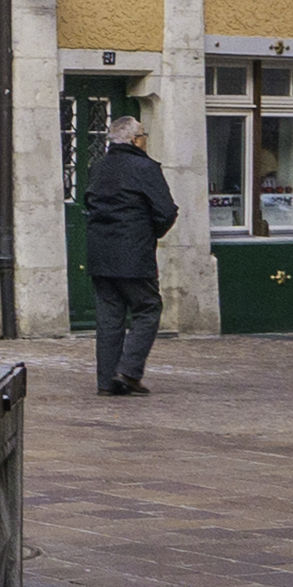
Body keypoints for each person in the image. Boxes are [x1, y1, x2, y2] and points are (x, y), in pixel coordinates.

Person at [84, 114, 180, 397]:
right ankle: (128, 370)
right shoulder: (145, 167)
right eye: (144, 135)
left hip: (100, 255)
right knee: (148, 308)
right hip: (134, 254)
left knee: (109, 317)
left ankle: (106, 381)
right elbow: (166, 210)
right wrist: (151, 233)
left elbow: (89, 204)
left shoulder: (98, 168)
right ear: (137, 140)